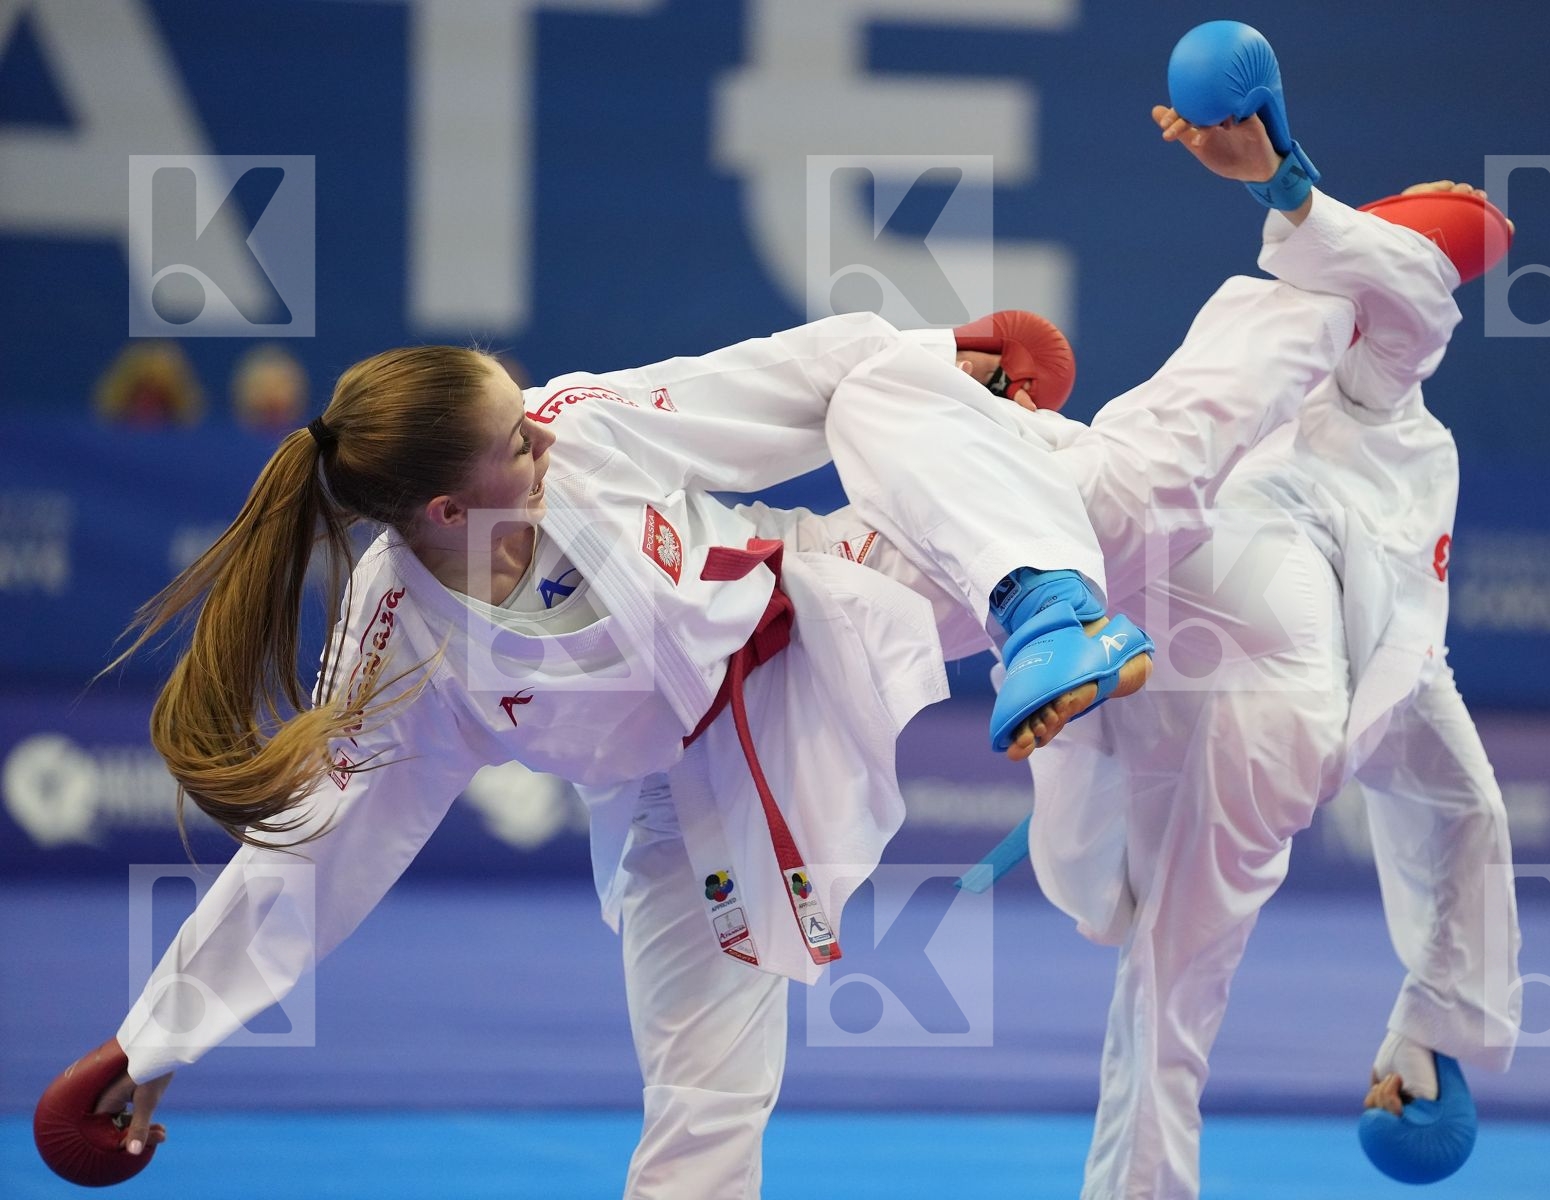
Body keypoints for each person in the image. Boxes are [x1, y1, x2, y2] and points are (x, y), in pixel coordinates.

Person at [45, 314, 1157, 1193]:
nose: (541, 430)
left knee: (1050, 454)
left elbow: (790, 376)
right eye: (514, 439)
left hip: (830, 597)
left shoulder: (575, 425)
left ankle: (1052, 607)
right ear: (443, 507)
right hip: (686, 802)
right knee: (703, 1106)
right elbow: (308, 863)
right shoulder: (403, 651)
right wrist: (157, 1040)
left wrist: (947, 355)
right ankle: (1087, 690)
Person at [780, 109, 1523, 1197]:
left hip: (1177, 580)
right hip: (1251, 651)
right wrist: (1436, 1031)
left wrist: (1282, 182)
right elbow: (1461, 809)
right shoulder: (1360, 391)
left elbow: (1411, 275)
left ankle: (846, 584)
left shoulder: (1360, 359)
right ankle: (1036, 650)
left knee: (1096, 887)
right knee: (1159, 981)